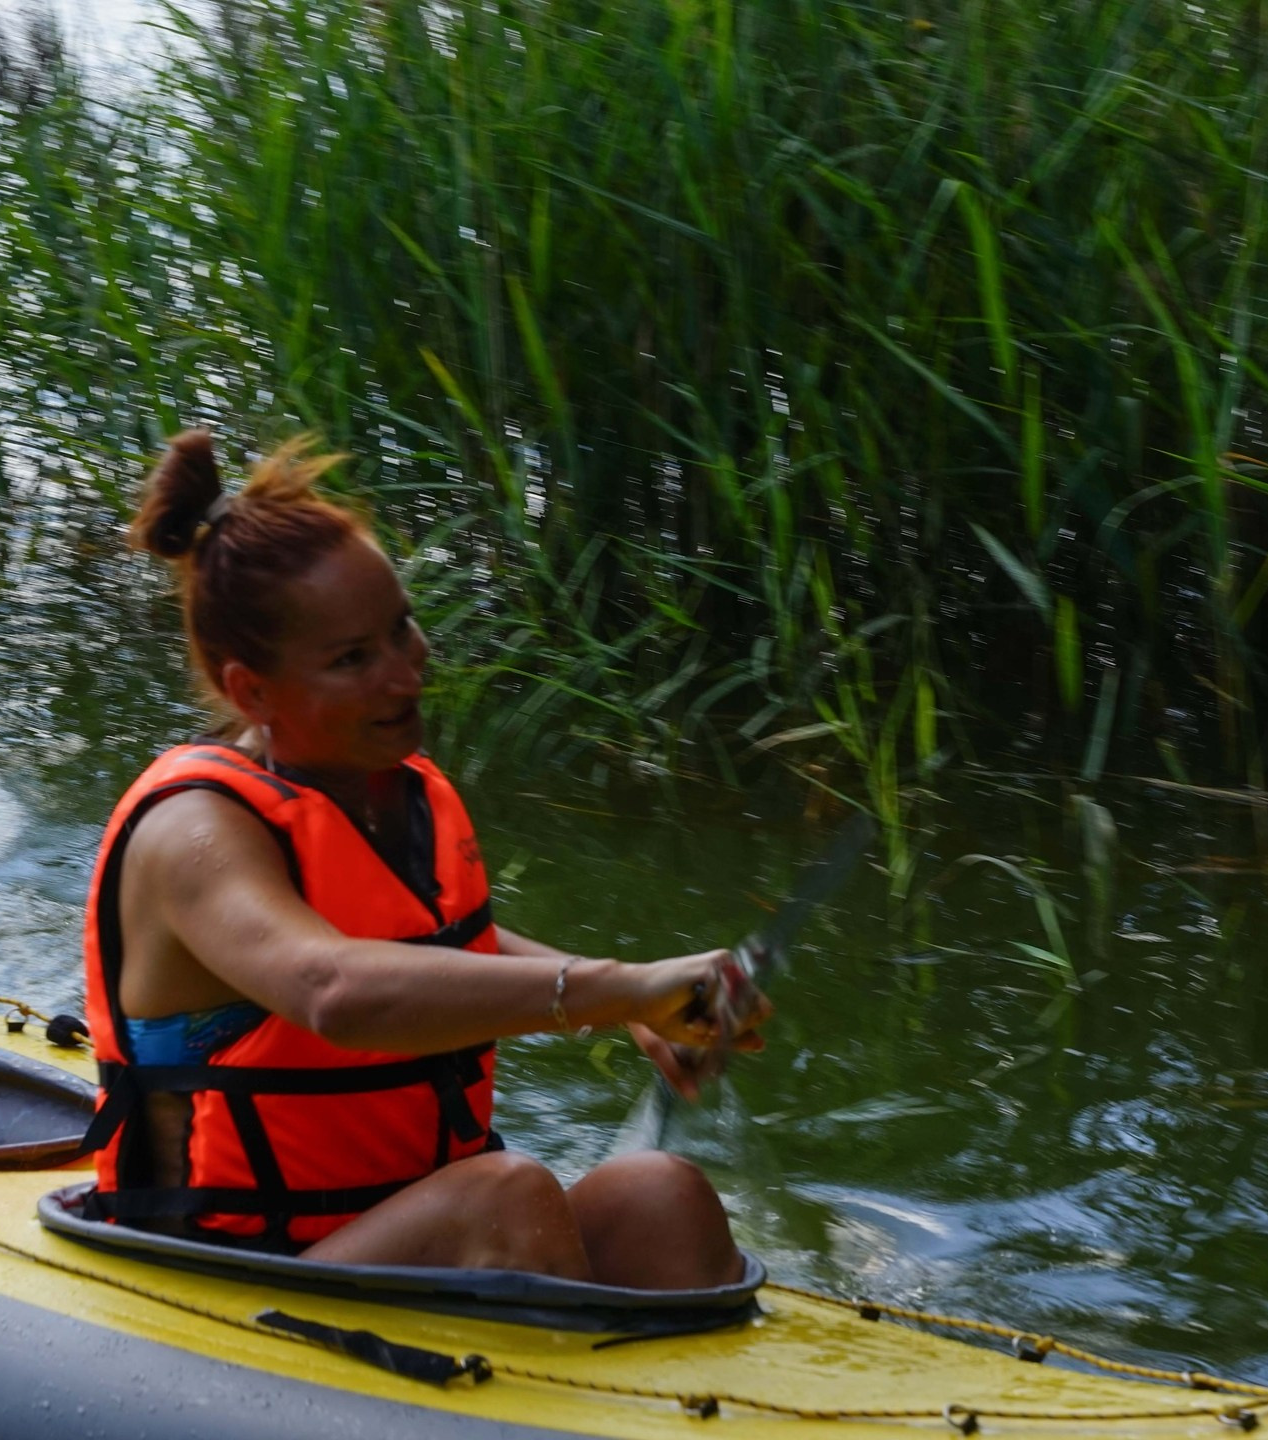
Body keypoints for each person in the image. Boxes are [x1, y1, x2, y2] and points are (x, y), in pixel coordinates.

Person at [78, 431, 769, 1290]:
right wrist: (616, 987)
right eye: (352, 660)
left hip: (408, 1232)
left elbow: (435, 946)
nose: (406, 675)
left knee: (664, 1196)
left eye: (401, 629)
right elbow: (331, 990)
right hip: (230, 1270)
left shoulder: (384, 788)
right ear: (251, 689)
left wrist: (636, 1008)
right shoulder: (193, 832)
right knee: (506, 1197)